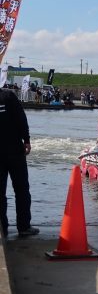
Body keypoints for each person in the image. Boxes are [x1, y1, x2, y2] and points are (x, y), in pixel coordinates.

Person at [0, 88, 39, 236]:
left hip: (11, 152)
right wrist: (27, 140)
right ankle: (23, 227)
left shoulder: (8, 95)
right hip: (15, 151)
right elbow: (21, 118)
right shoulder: (8, 95)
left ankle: (3, 228)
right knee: (22, 190)